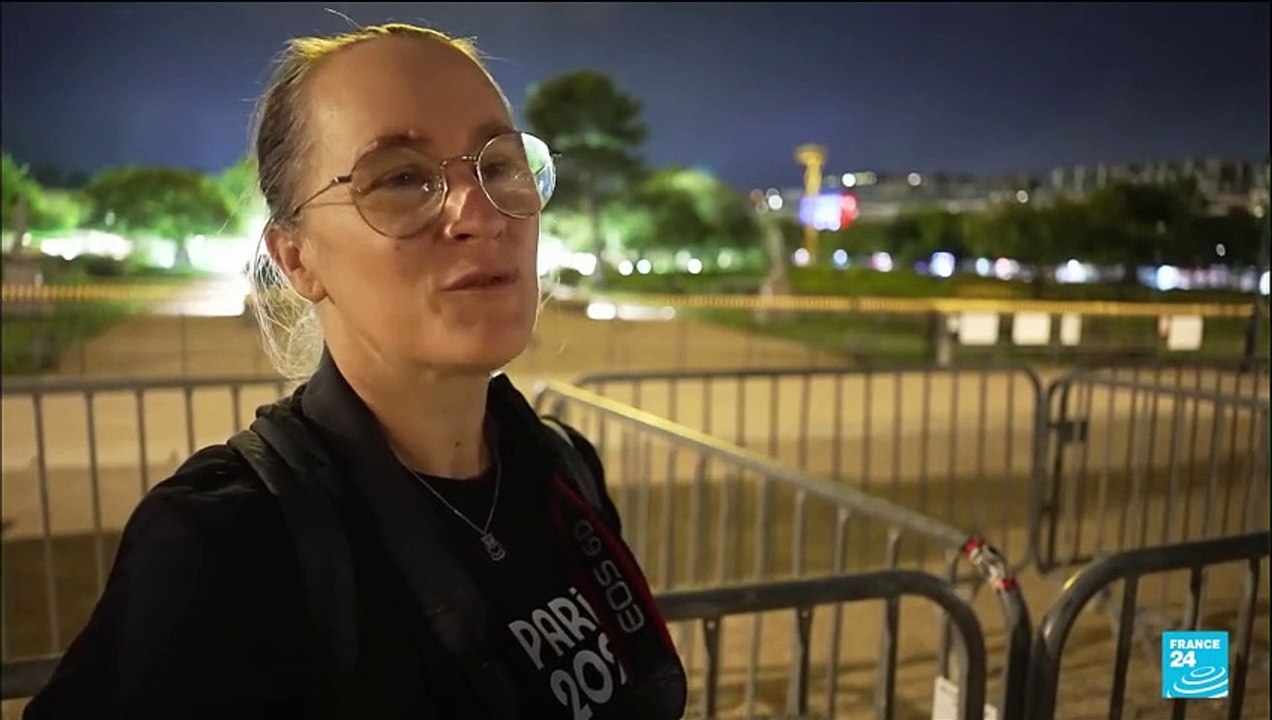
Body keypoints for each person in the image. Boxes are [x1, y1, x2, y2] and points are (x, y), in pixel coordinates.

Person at [25, 22, 687, 720]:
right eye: (401, 177)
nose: (482, 215)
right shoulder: (225, 547)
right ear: (296, 258)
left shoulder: (561, 472)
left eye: (498, 166)